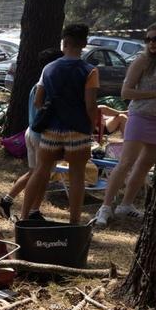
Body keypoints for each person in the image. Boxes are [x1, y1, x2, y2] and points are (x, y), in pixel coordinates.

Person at [95, 21, 156, 226]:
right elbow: (125, 93)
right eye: (148, 39)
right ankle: (105, 207)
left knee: (146, 164)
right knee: (126, 162)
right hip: (140, 116)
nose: (151, 43)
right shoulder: (142, 61)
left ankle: (126, 205)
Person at [20, 23, 99, 225]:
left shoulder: (49, 67)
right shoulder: (90, 71)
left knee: (40, 170)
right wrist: (91, 127)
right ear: (84, 43)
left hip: (51, 129)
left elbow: (38, 101)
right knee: (77, 176)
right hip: (77, 130)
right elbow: (91, 105)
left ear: (64, 42)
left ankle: (23, 216)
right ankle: (73, 223)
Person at [0, 48, 64, 220]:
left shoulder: (38, 85)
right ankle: (31, 212)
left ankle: (7, 201)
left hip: (32, 132)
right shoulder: (48, 86)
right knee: (42, 175)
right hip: (43, 135)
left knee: (35, 173)